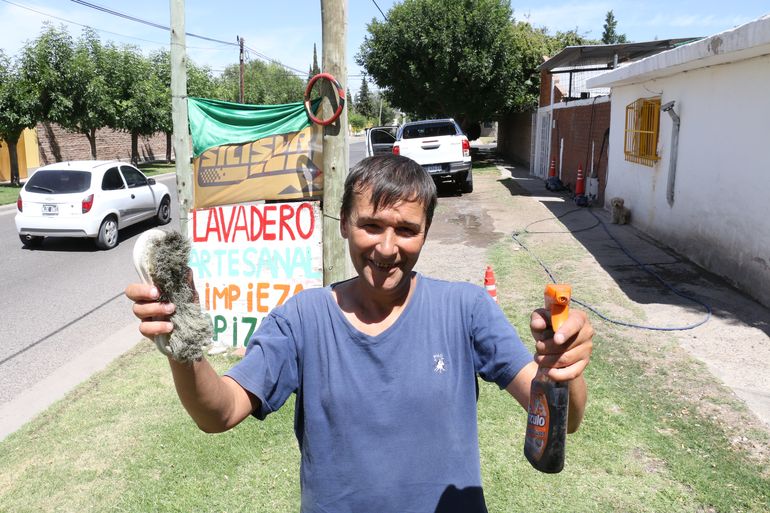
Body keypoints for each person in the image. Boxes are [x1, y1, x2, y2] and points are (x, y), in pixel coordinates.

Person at [125, 154, 594, 513]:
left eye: (406, 230)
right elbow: (220, 412)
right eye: (371, 226)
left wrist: (563, 369)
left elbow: (560, 420)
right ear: (346, 221)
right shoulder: (301, 319)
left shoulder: (465, 309)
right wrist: (181, 343)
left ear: (426, 231)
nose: (387, 248)